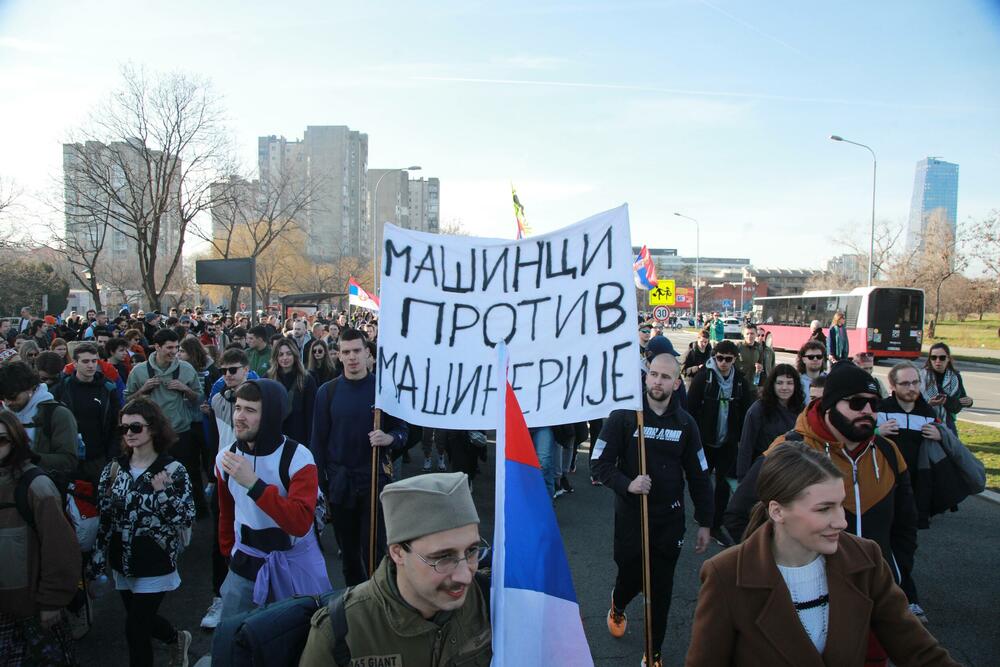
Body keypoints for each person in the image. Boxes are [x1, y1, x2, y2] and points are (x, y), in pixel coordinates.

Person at [687, 442, 959, 667]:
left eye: (841, 505)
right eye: (824, 509)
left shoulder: (866, 559)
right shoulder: (726, 574)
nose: (841, 521)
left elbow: (918, 651)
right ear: (777, 511)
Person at [724, 362, 920, 661]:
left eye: (874, 404)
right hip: (804, 606)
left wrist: (897, 572)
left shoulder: (888, 453)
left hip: (873, 604)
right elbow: (739, 515)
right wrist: (778, 577)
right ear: (829, 406)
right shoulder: (790, 449)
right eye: (857, 403)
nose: (868, 411)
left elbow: (906, 523)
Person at [591, 353, 712, 667]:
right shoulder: (624, 417)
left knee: (661, 588)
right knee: (631, 576)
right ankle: (618, 604)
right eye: (654, 374)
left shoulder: (686, 424)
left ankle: (653, 653)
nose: (658, 381)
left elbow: (699, 474)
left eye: (665, 377)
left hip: (669, 520)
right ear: (646, 376)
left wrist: (705, 520)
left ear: (677, 383)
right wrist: (627, 484)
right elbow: (599, 463)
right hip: (631, 518)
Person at [299, 472, 490, 666]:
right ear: (398, 553)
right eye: (443, 557)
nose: (465, 576)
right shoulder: (340, 633)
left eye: (471, 551)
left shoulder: (490, 599)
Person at [87, 397, 195, 667]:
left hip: (155, 561)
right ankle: (175, 638)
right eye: (123, 428)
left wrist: (163, 493)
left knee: (135, 630)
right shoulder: (114, 469)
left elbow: (184, 518)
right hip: (122, 562)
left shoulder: (173, 470)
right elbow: (105, 519)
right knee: (141, 621)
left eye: (135, 427)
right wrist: (97, 560)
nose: (129, 433)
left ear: (154, 428)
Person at [215, 379, 330, 618]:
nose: (239, 417)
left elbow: (300, 522)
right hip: (245, 562)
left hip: (296, 563)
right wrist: (227, 551)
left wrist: (254, 484)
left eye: (250, 410)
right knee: (233, 635)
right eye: (238, 407)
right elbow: (226, 510)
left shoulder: (299, 458)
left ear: (270, 416)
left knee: (306, 633)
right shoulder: (225, 458)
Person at [310, 328, 408, 586]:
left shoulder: (383, 391)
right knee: (349, 554)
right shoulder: (326, 392)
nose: (352, 357)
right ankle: (355, 599)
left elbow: (403, 431)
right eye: (346, 352)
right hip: (340, 484)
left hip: (374, 481)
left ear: (367, 353)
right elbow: (318, 443)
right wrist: (321, 486)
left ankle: (379, 596)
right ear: (339, 356)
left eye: (357, 351)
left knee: (375, 549)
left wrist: (389, 438)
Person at [0, 411, 81, 666]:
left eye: (1, 440)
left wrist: (52, 601)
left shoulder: (36, 486)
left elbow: (61, 549)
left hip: (30, 611)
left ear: (16, 441)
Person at [125, 328, 206, 515]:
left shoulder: (186, 369)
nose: (174, 352)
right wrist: (143, 390)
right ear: (157, 347)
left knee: (189, 473)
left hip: (180, 432)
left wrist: (185, 389)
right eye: (169, 348)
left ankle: (196, 511)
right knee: (152, 475)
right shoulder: (139, 371)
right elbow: (127, 402)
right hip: (151, 435)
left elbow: (199, 399)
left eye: (176, 347)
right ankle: (153, 513)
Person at [687, 339, 752, 547]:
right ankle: (702, 513)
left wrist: (741, 439)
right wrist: (691, 440)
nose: (723, 363)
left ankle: (715, 526)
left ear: (734, 359)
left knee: (723, 486)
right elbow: (690, 409)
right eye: (719, 358)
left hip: (728, 443)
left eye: (728, 359)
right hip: (704, 442)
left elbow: (747, 411)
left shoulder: (739, 381)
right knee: (702, 482)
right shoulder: (704, 377)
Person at [50, 342, 121, 486]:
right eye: (85, 361)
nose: (91, 365)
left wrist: (112, 455)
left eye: (94, 361)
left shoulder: (107, 388)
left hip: (98, 457)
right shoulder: (62, 388)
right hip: (69, 456)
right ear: (75, 364)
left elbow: (116, 423)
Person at [0, 360, 78, 476]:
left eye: (13, 397)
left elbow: (68, 461)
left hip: (42, 482)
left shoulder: (58, 414)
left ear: (30, 388)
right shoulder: (4, 413)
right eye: (3, 397)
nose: (8, 403)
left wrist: (31, 458)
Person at [736, 363, 804, 480]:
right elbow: (746, 446)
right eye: (779, 383)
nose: (784, 387)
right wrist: (742, 478)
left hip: (792, 474)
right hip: (765, 472)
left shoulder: (801, 410)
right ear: (772, 385)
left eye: (789, 383)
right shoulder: (758, 409)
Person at [268, 338, 317, 445]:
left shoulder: (307, 380)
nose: (285, 358)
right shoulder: (268, 379)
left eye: (289, 354)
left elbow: (311, 415)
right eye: (281, 354)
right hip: (274, 439)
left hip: (299, 440)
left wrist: (311, 443)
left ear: (295, 355)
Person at [921, 342, 972, 434]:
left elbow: (960, 402)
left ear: (948, 358)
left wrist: (969, 402)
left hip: (948, 421)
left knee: (952, 442)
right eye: (933, 357)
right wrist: (929, 404)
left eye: (942, 358)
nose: (937, 361)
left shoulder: (955, 377)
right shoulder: (921, 376)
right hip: (925, 420)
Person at [736, 323, 775, 389]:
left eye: (752, 333)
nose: (749, 336)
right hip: (739, 385)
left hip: (753, 386)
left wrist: (760, 367)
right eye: (747, 334)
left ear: (756, 334)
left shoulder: (759, 347)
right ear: (743, 335)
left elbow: (761, 364)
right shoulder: (738, 347)